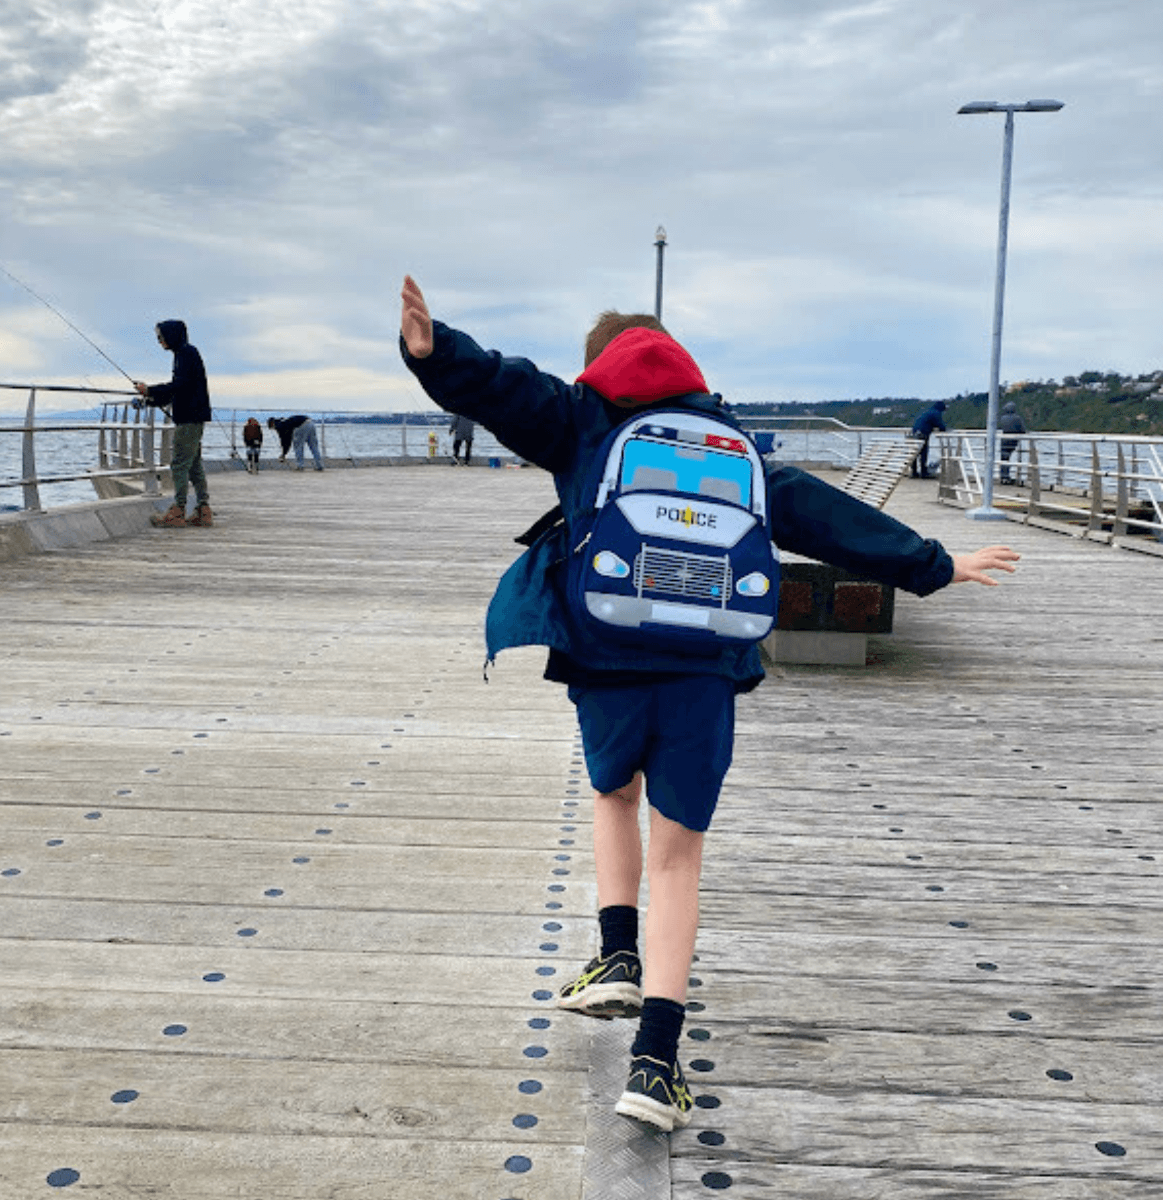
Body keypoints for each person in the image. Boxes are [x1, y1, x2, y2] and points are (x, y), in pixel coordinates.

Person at [399, 274, 1018, 1134]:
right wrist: (935, 564)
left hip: (607, 653)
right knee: (679, 857)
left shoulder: (581, 420)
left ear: (598, 364)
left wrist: (436, 352)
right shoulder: (726, 439)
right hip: (704, 669)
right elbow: (820, 515)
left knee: (611, 794)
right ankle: (655, 1062)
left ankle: (616, 954)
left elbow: (506, 386)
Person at [134, 319, 213, 527]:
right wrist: (150, 399)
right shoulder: (185, 354)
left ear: (171, 335)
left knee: (179, 464)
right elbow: (179, 390)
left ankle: (178, 510)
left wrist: (150, 390)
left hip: (189, 419)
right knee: (194, 464)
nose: (159, 342)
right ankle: (203, 511)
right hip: (193, 417)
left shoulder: (186, 354)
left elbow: (179, 385)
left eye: (161, 337)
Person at [910, 400, 947, 479]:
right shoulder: (936, 413)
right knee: (924, 452)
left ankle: (914, 472)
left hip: (915, 431)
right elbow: (940, 425)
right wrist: (944, 428)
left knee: (915, 453)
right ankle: (924, 472)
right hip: (923, 433)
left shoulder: (928, 411)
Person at [999, 400, 1027, 485]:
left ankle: (1004, 476)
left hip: (1004, 441)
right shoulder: (1017, 418)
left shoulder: (1002, 418)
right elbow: (1023, 430)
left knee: (1004, 458)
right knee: (1008, 458)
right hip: (1013, 441)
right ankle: (1006, 476)